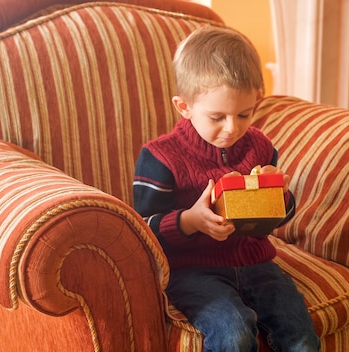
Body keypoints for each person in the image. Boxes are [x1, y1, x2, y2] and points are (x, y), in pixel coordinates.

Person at [133, 25, 320, 352]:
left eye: (244, 114)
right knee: (233, 333)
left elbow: (281, 218)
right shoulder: (160, 157)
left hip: (257, 264)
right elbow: (141, 229)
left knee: (299, 331)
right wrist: (190, 221)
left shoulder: (260, 146)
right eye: (217, 117)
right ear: (184, 106)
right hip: (192, 271)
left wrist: (279, 195)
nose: (232, 128)